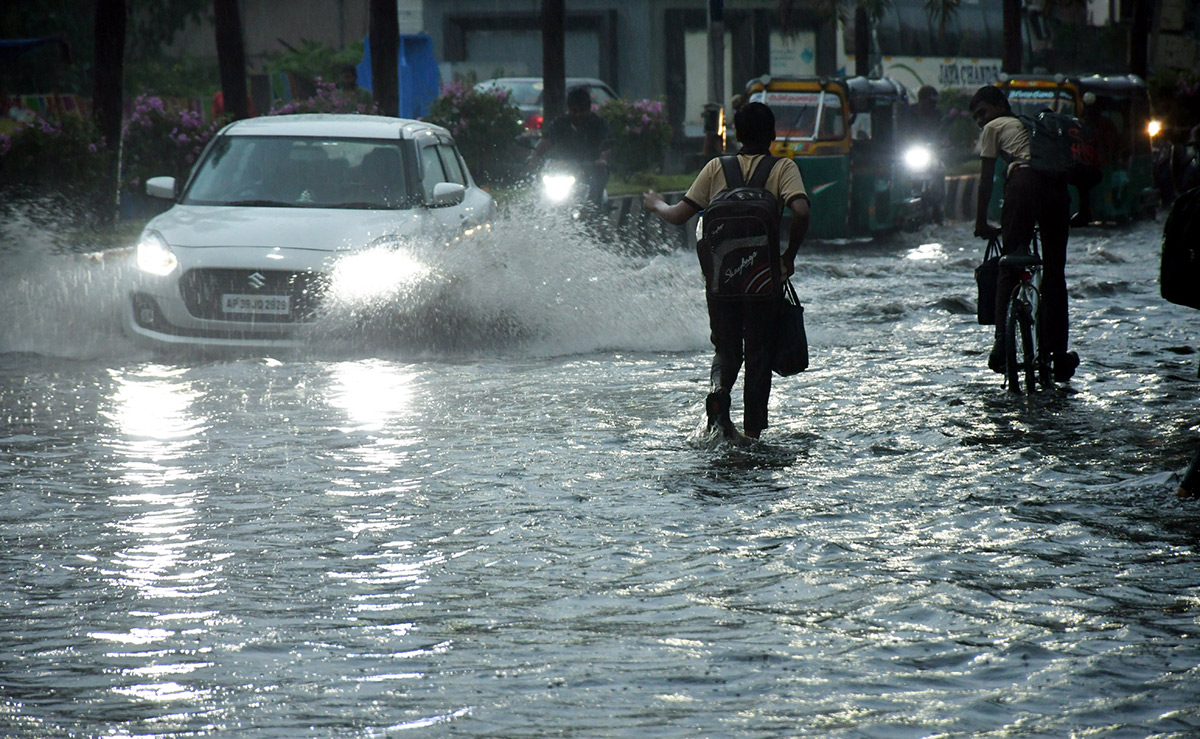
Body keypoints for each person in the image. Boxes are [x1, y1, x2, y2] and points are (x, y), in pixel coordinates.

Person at [642, 102, 811, 440]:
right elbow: (801, 211)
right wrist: (788, 256)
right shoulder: (783, 168)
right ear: (773, 134)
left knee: (727, 349)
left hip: (720, 282)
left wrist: (655, 203)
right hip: (764, 281)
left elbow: (677, 215)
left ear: (737, 134)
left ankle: (720, 390)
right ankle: (751, 435)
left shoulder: (716, 167)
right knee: (759, 351)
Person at [970, 85, 1079, 383]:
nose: (981, 121)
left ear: (999, 106)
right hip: (1057, 191)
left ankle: (1000, 344)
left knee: (1011, 263)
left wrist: (981, 223)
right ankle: (1057, 354)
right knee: (1055, 272)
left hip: (1024, 186)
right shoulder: (1039, 128)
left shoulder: (994, 127)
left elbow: (985, 181)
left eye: (982, 113)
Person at [531, 87, 613, 209]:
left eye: (582, 110)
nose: (578, 114)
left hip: (591, 168)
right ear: (569, 109)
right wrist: (534, 156)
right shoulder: (559, 123)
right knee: (541, 189)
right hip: (564, 169)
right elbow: (546, 140)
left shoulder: (599, 124)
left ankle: (596, 210)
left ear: (589, 109)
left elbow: (607, 146)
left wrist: (602, 160)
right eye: (575, 110)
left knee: (597, 184)